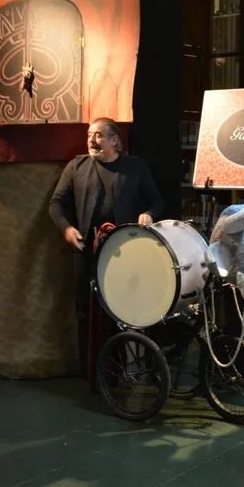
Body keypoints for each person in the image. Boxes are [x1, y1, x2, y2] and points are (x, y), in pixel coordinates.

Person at [49, 117, 164, 377]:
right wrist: (66, 229)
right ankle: (90, 374)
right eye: (89, 134)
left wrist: (148, 214)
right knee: (85, 313)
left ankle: (118, 372)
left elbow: (157, 202)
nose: (91, 140)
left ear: (114, 140)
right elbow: (56, 203)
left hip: (124, 253)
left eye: (98, 135)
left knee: (119, 311)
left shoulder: (135, 168)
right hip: (86, 252)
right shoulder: (76, 166)